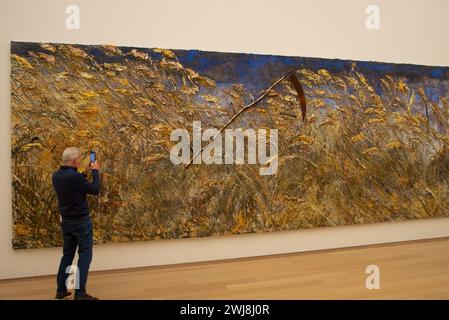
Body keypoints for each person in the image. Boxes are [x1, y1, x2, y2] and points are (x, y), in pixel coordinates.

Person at [52, 147, 100, 300]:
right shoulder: (74, 178)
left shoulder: (57, 176)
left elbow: (75, 184)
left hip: (66, 222)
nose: (81, 160)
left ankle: (61, 291)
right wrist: (95, 171)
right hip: (81, 222)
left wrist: (84, 173)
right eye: (79, 158)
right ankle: (80, 293)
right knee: (85, 256)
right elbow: (95, 189)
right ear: (73, 161)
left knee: (67, 255)